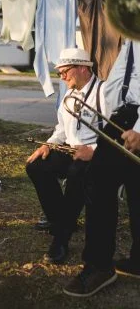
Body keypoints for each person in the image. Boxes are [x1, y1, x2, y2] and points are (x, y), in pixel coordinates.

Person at [64, 40, 140, 297]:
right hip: (126, 114)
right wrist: (116, 115)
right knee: (101, 180)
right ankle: (100, 265)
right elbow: (121, 75)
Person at [26, 48, 107, 264]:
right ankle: (62, 220)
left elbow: (116, 135)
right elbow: (61, 129)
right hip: (72, 151)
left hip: (97, 157)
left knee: (76, 173)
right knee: (35, 165)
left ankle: (61, 239)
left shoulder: (104, 92)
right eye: (59, 73)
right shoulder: (68, 96)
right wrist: (48, 145)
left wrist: (93, 150)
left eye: (64, 71)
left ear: (82, 68)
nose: (61, 77)